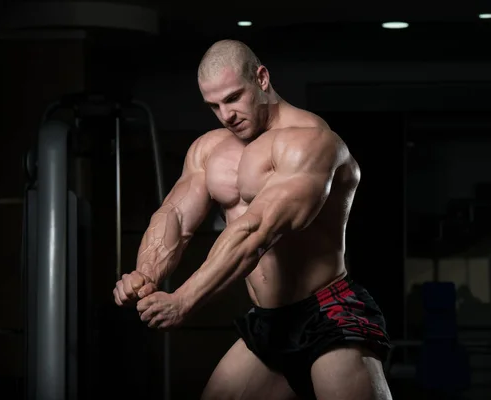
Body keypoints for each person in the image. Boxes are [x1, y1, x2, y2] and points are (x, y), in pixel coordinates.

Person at [112, 39, 393, 400]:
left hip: (326, 313)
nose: (225, 115)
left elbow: (258, 231)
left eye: (232, 98)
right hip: (268, 320)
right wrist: (144, 274)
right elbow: (176, 216)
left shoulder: (311, 142)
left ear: (261, 79)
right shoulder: (210, 149)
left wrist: (183, 300)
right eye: (213, 105)